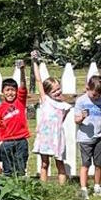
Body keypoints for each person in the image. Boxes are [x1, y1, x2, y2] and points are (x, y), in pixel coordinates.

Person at [30, 52, 71, 183]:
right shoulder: (45, 100)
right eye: (54, 91)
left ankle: (61, 188)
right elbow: (38, 80)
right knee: (44, 163)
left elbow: (61, 121)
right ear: (47, 93)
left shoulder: (65, 106)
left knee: (60, 163)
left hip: (57, 136)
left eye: (59, 89)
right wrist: (34, 62)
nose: (58, 92)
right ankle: (44, 187)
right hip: (45, 136)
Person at [74, 75, 101, 199]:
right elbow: (76, 120)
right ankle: (83, 188)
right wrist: (82, 117)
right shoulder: (81, 101)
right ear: (87, 88)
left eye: (98, 95)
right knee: (85, 163)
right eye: (94, 95)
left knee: (99, 163)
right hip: (85, 138)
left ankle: (97, 187)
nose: (96, 97)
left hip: (99, 136)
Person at [0, 62, 29, 178]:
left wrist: (22, 70)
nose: (10, 93)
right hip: (6, 142)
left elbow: (23, 87)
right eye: (7, 90)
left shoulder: (20, 102)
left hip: (21, 140)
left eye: (13, 90)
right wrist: (0, 141)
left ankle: (22, 186)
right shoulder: (0, 108)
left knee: (21, 166)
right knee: (7, 169)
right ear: (3, 92)